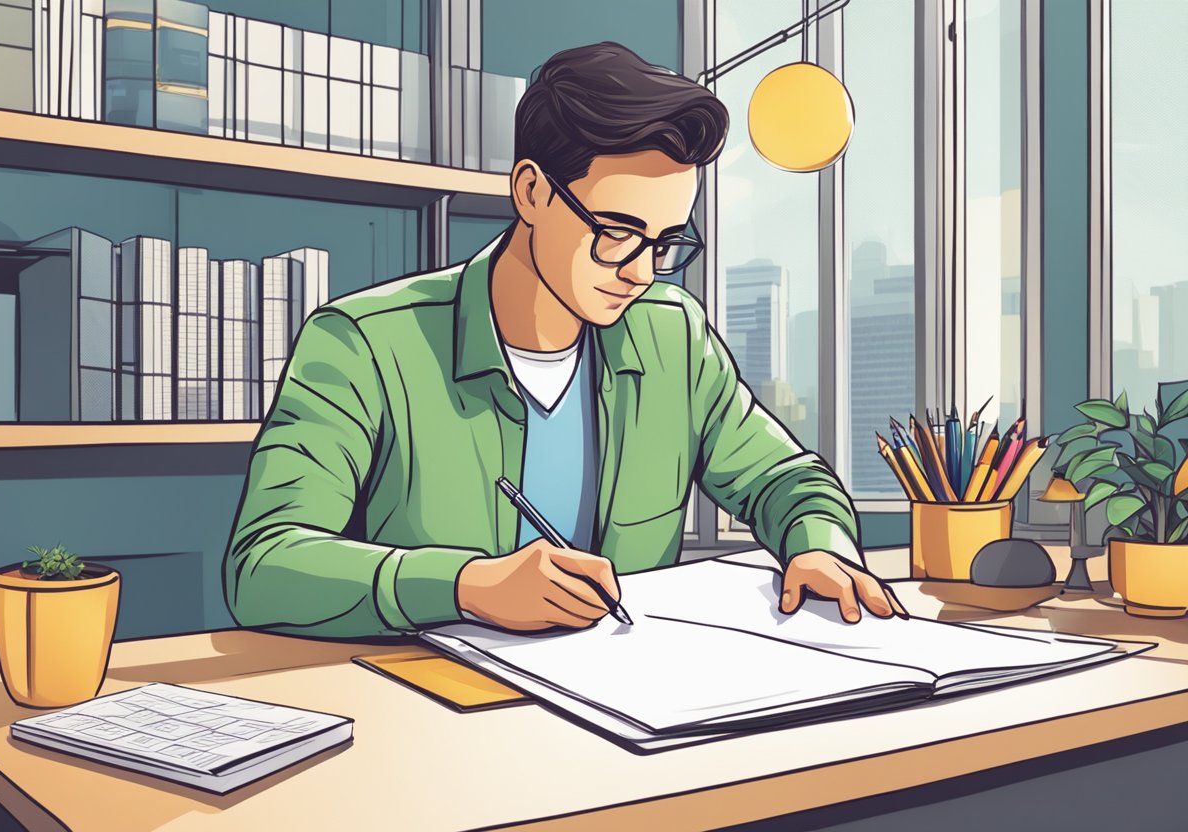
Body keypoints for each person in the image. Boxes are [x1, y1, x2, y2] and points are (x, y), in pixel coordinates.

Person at [223, 41, 907, 638]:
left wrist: (819, 547)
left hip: (625, 706)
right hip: (432, 717)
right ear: (530, 192)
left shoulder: (670, 336)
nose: (641, 272)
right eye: (616, 234)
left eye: (666, 243)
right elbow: (263, 564)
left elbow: (784, 478)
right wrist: (466, 587)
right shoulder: (362, 345)